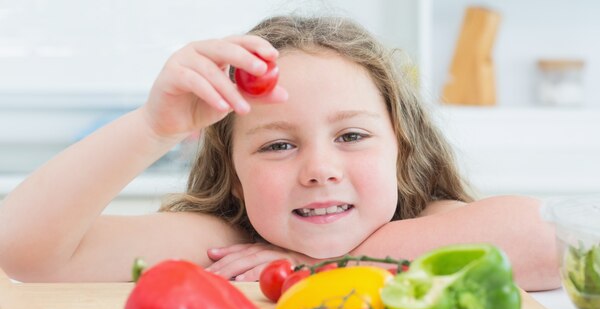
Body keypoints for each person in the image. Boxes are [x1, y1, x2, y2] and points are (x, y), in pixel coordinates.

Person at [0, 15, 559, 290]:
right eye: (278, 144)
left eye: (352, 136)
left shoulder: (425, 224)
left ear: (402, 152)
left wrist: (326, 266)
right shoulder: (232, 245)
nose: (319, 170)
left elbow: (546, 238)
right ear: (235, 178)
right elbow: (25, 251)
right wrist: (153, 127)